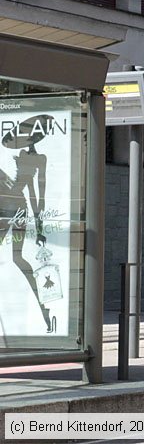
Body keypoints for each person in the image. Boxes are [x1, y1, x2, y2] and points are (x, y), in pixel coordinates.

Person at [0, 114, 55, 333]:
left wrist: (40, 227)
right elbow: (33, 193)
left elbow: (36, 193)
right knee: (17, 258)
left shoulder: (35, 159)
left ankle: (43, 309)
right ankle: (44, 310)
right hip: (13, 207)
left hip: (11, 209)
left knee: (17, 258)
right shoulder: (26, 156)